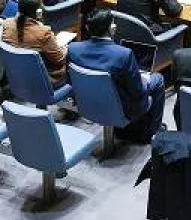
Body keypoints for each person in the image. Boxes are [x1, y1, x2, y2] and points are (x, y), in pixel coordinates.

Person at [68, 8, 167, 140]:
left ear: (87, 27)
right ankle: (153, 133)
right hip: (122, 109)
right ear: (112, 28)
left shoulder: (73, 49)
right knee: (157, 79)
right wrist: (144, 79)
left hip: (86, 104)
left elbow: (70, 81)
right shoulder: (123, 54)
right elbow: (137, 91)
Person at [1, 0, 67, 85]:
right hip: (43, 79)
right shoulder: (43, 33)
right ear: (39, 12)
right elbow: (60, 59)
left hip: (16, 74)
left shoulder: (7, 24)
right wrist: (65, 48)